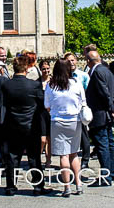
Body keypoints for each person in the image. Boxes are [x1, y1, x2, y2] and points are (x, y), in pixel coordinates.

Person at [1, 55, 53, 196]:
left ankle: (11, 186)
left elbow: (4, 104)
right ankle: (38, 186)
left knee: (13, 157)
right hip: (31, 125)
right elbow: (42, 104)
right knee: (34, 157)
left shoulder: (6, 85)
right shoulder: (34, 85)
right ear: (27, 68)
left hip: (12, 125)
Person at [44, 58, 86, 197]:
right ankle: (78, 183)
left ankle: (67, 186)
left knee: (63, 154)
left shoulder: (51, 85)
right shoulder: (76, 83)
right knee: (74, 153)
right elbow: (83, 102)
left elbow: (47, 106)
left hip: (57, 121)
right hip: (74, 120)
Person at [85, 49, 114, 186]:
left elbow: (104, 93)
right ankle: (113, 172)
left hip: (100, 114)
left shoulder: (98, 72)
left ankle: (106, 176)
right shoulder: (107, 70)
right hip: (106, 114)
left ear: (89, 61)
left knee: (102, 145)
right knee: (109, 143)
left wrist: (111, 107)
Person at [65, 52, 90, 168]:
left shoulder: (83, 75)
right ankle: (70, 159)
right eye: (68, 61)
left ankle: (85, 159)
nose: (71, 62)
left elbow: (88, 91)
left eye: (73, 60)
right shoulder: (62, 76)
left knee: (84, 134)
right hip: (67, 110)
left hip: (80, 108)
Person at [38, 58, 53, 168]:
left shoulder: (53, 82)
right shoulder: (36, 83)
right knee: (42, 139)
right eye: (44, 69)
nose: (46, 71)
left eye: (47, 68)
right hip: (40, 113)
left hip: (51, 112)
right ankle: (37, 157)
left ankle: (48, 160)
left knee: (50, 138)